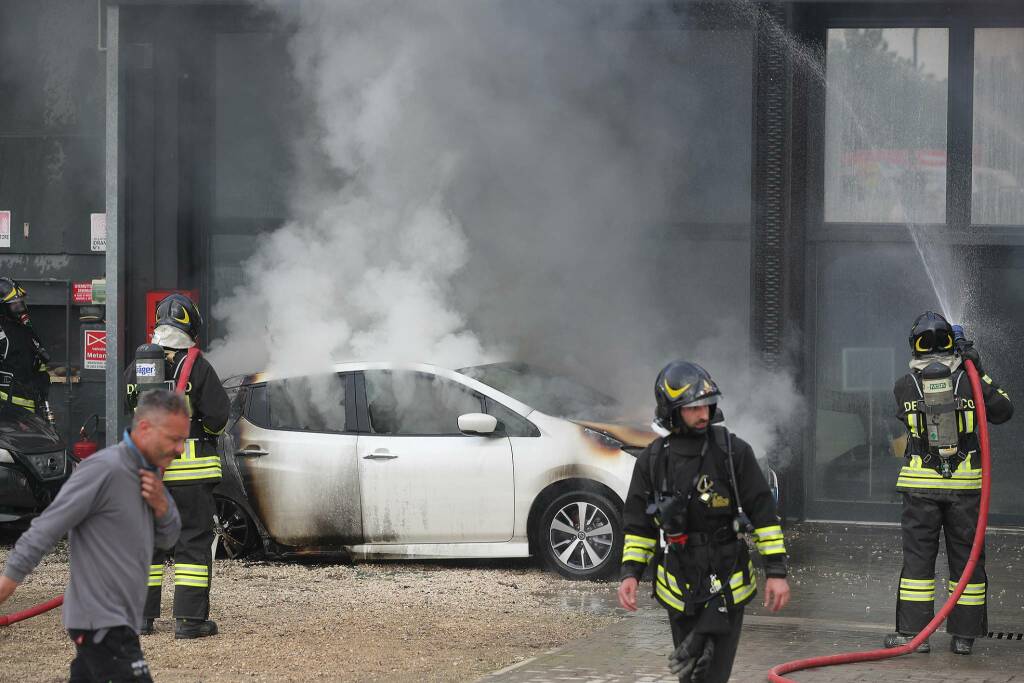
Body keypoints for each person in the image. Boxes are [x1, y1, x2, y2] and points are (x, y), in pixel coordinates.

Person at [618, 361, 790, 683]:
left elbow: (764, 516)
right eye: (693, 407)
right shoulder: (653, 460)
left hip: (728, 581)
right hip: (678, 583)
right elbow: (638, 525)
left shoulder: (733, 452)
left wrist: (776, 572)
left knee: (713, 674)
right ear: (672, 410)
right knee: (692, 675)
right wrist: (630, 573)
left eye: (707, 406)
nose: (703, 415)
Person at [0, 390, 184, 682]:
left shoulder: (151, 477)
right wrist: (8, 581)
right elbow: (49, 525)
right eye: (174, 439)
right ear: (146, 429)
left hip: (122, 620)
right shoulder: (103, 469)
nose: (181, 450)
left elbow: (167, 539)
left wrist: (162, 507)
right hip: (100, 620)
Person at [884, 311, 1012, 655]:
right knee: (967, 559)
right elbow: (1004, 411)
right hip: (966, 490)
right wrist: (978, 369)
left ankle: (914, 635)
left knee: (917, 563)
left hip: (919, 489)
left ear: (916, 345)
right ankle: (964, 637)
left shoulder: (903, 385)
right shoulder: (972, 382)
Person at [125, 293, 229, 639]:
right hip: (192, 476)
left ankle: (141, 618)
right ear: (191, 324)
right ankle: (189, 621)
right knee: (192, 543)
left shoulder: (139, 366)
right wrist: (205, 432)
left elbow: (128, 405)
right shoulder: (197, 365)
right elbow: (218, 415)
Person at [0, 277, 52, 420]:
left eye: (21, 303)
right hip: (7, 411)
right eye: (15, 305)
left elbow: (39, 363)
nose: (21, 308)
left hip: (32, 408)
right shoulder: (3, 333)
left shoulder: (26, 330)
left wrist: (43, 386)